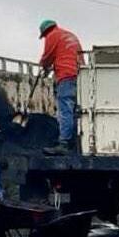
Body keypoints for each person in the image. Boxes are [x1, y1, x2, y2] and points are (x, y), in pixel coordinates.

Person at [37, 19, 82, 156]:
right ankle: (76, 140)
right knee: (76, 109)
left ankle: (64, 143)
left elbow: (47, 56)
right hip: (79, 75)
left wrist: (43, 65)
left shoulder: (52, 36)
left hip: (66, 76)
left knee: (65, 109)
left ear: (45, 32)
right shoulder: (70, 35)